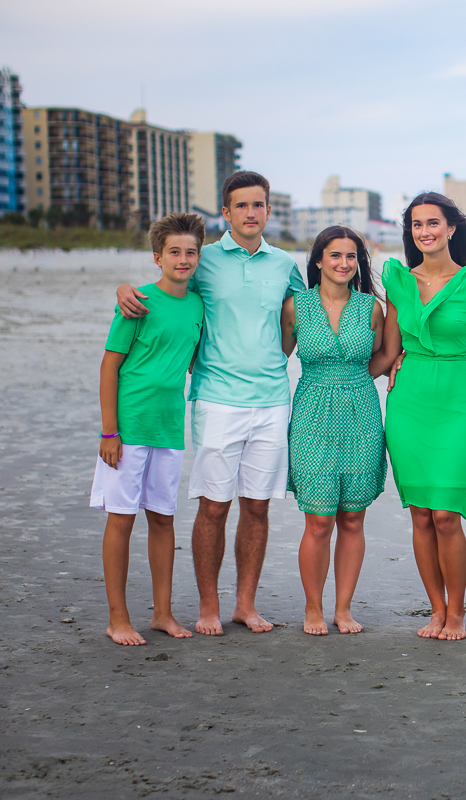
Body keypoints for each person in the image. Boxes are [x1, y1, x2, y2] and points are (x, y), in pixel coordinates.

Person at [116, 171, 305, 635]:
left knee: (257, 507)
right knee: (214, 506)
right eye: (241, 205)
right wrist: (125, 288)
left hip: (272, 401)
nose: (250, 213)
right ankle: (207, 606)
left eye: (258, 204)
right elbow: (166, 284)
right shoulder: (203, 260)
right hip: (217, 400)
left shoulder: (285, 265)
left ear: (267, 209)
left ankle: (245, 604)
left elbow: (313, 312)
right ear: (226, 212)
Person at [377, 192, 466, 641]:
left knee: (447, 514)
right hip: (408, 402)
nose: (424, 231)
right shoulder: (398, 281)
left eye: (433, 223)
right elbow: (390, 348)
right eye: (416, 225)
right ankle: (436, 608)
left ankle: (458, 612)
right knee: (421, 515)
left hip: (455, 400)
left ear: (451, 228)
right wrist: (341, 376)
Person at [92, 213, 205, 645]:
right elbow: (109, 366)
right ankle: (117, 618)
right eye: (174, 252)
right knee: (121, 519)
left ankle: (163, 613)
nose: (183, 259)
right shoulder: (136, 302)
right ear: (157, 257)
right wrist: (108, 431)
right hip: (129, 428)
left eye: (190, 252)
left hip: (169, 428)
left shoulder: (197, 303)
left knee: (163, 518)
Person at [281, 226, 387, 635]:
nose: (344, 263)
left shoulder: (371, 308)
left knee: (353, 518)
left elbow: (382, 357)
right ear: (319, 260)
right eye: (335, 255)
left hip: (361, 414)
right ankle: (313, 609)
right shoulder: (296, 306)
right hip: (312, 416)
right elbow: (275, 359)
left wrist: (383, 372)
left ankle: (343, 609)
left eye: (351, 256)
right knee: (319, 521)